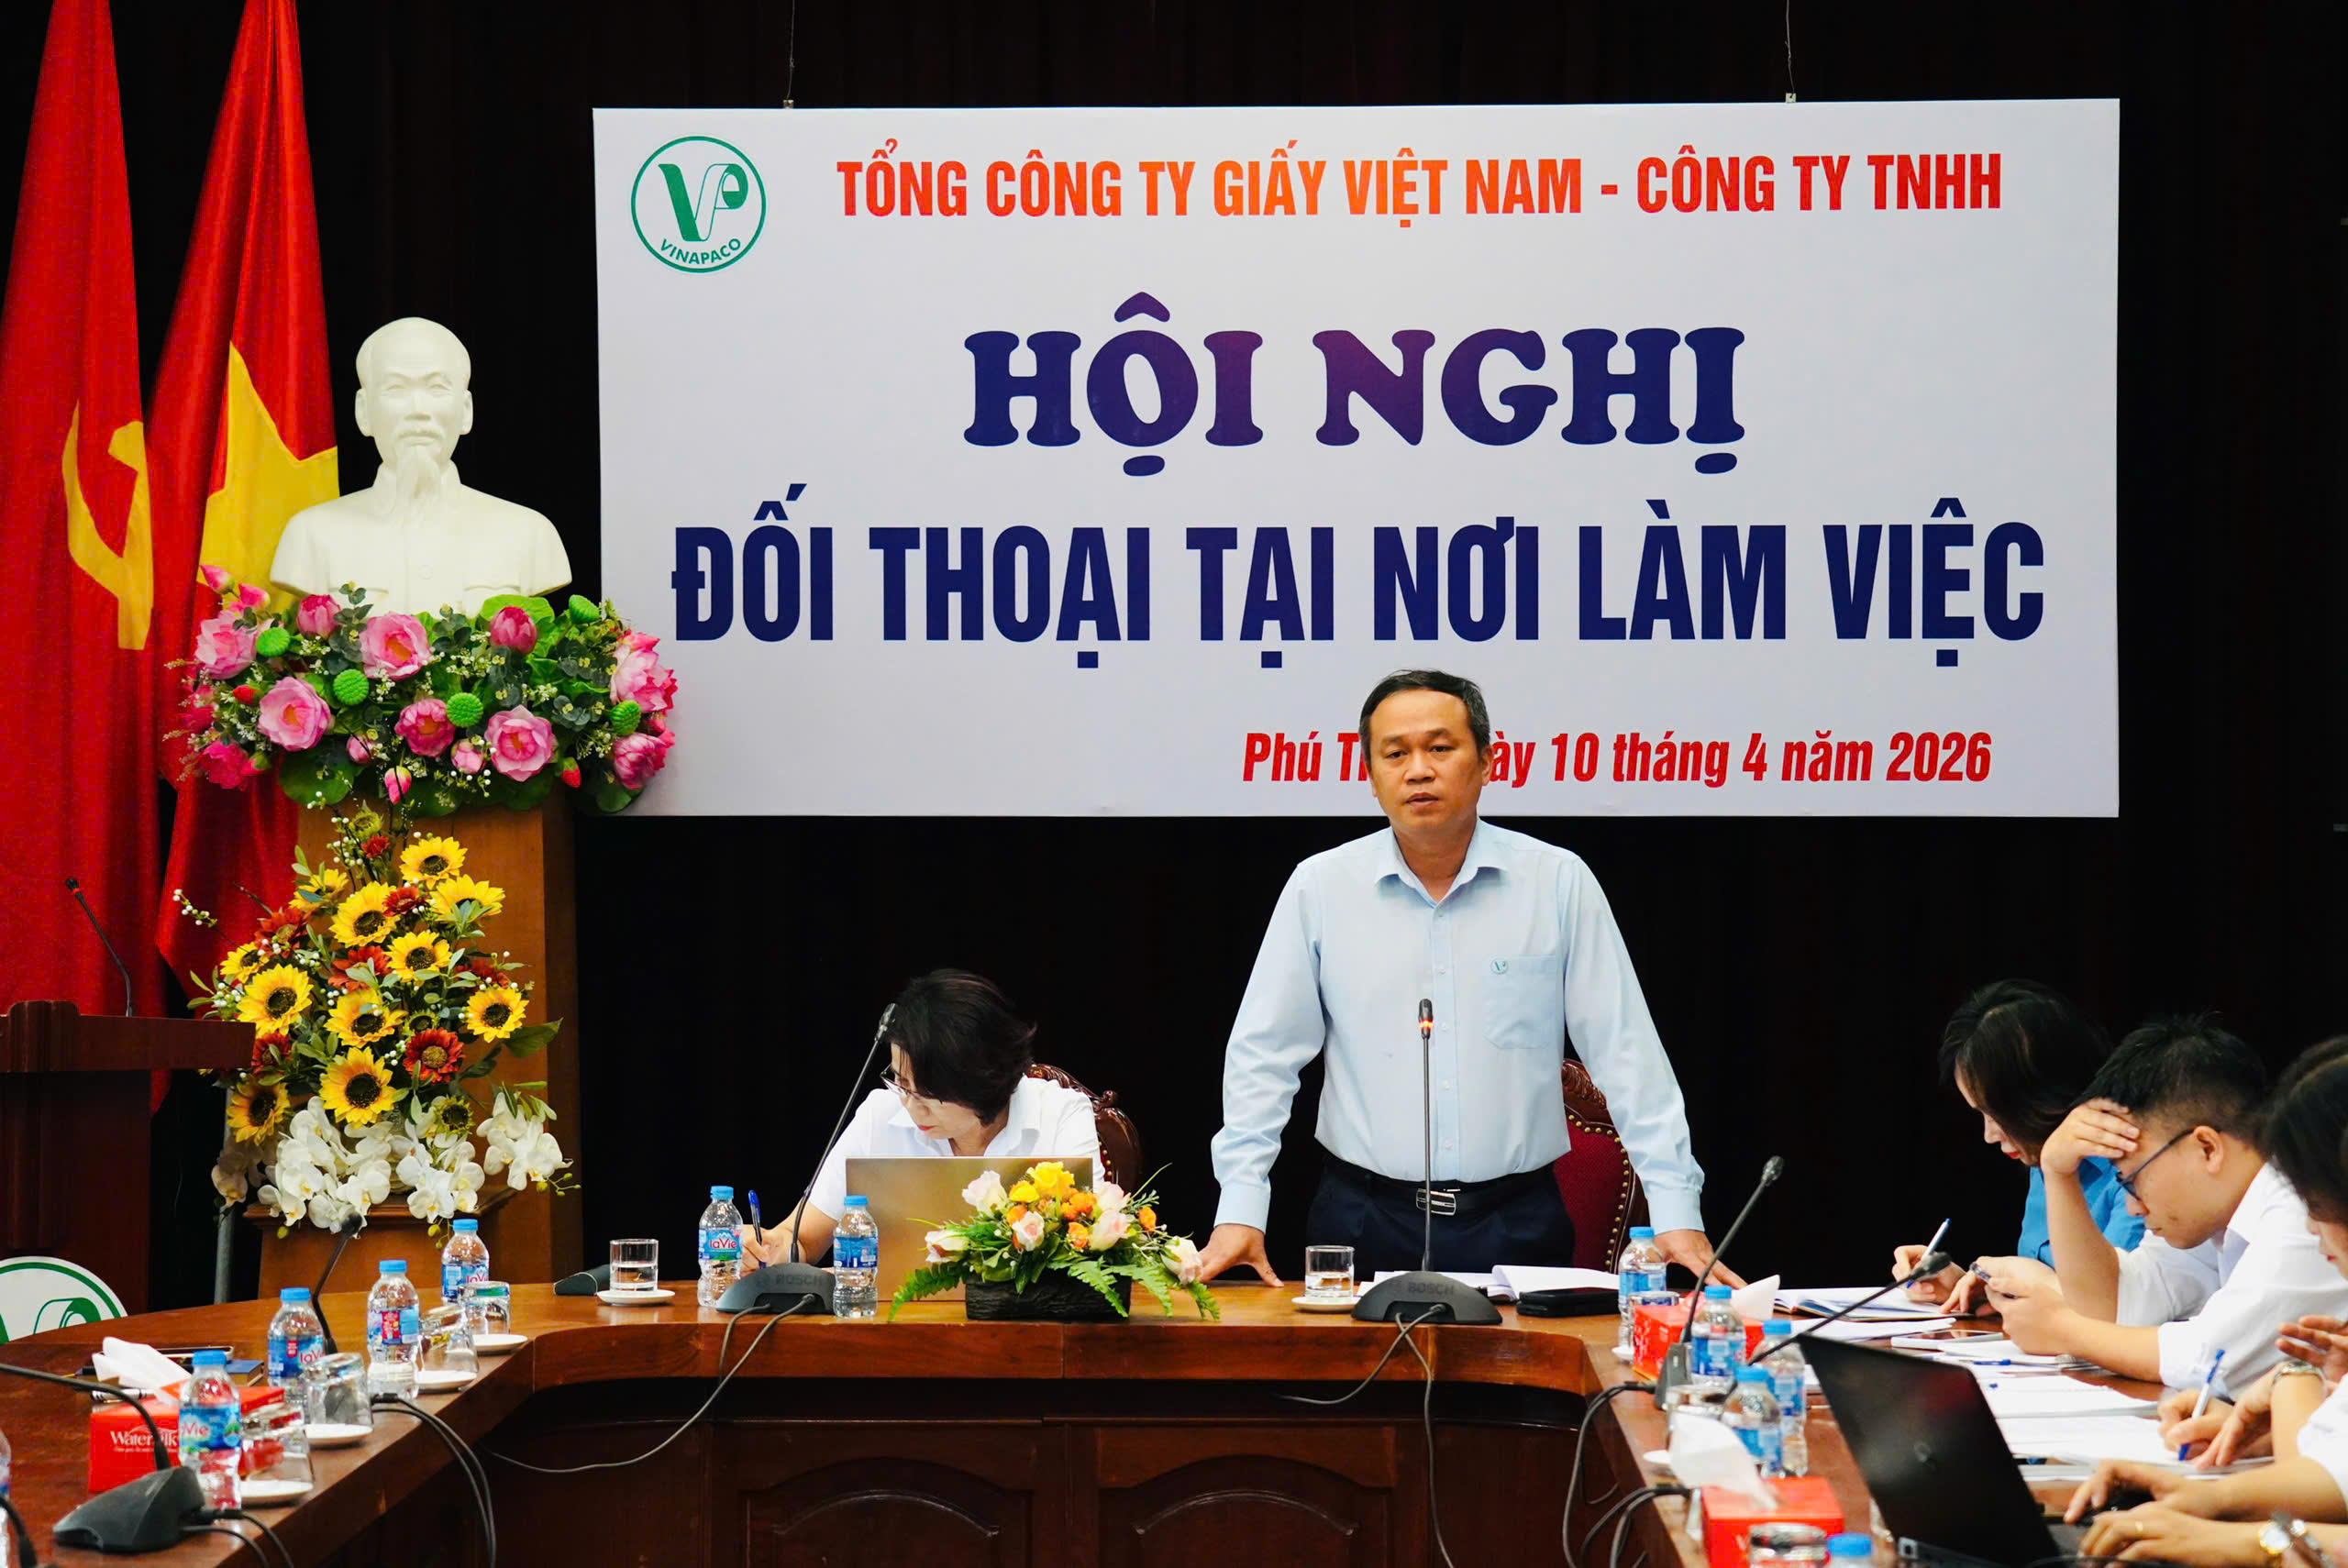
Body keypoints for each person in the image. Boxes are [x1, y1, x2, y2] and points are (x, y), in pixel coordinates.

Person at [1199, 668, 1730, 1284]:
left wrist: (1675, 1208)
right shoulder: (1320, 888)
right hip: (1362, 1218)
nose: (1418, 770)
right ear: (1370, 774)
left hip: (1519, 1220)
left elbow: (1626, 1055)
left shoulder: (1556, 882)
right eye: (1395, 754)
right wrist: (1240, 1207)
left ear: (1486, 762)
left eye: (1440, 748)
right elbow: (1263, 1059)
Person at [2062, 1038, 2348, 1565]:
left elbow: (2327, 1486)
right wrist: (2206, 1497)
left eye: (2317, 1202)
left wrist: (2245, 1541)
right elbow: (2334, 1469)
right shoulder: (2213, 1219)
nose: (2311, 1226)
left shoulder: (2285, 1220)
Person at [1980, 1017, 2348, 1388]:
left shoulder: (2306, 1208)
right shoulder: (2211, 1216)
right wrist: (2059, 1173)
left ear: (2207, 1148)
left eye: (2132, 1180)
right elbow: (2112, 1310)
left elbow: (2212, 1359)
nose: (2133, 1207)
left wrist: (2065, 1330)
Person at [739, 970, 1099, 1265]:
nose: (910, 1106)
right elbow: (802, 1238)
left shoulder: (1060, 1116)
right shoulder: (881, 1115)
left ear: (983, 1081)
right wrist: (771, 1247)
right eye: (900, 1081)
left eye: (927, 1093)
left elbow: (1089, 1250)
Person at [271, 317, 570, 615]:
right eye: (396, 389)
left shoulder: (530, 534)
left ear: (466, 411)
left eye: (437, 388)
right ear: (363, 412)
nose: (418, 410)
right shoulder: (310, 536)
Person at [1892, 980, 2144, 1314]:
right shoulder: (2042, 1159)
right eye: (1981, 1114)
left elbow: (2118, 1307)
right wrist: (1974, 1287)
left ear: (2045, 1091)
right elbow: (2045, 1291)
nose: (1989, 1135)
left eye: (1998, 1113)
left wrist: (2026, 1277)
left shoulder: (2137, 1164)